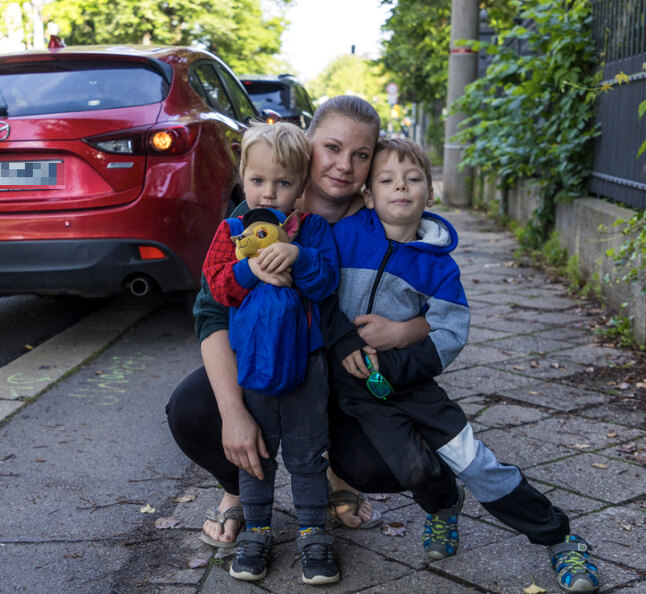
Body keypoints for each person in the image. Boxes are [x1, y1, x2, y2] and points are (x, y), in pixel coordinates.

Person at [166, 96, 450, 558]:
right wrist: (234, 413)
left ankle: (334, 474)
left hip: (343, 373)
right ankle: (238, 488)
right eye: (332, 148)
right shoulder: (258, 212)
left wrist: (403, 331)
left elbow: (437, 301)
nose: (343, 165)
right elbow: (212, 311)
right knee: (193, 410)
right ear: (306, 144)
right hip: (264, 365)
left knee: (380, 463)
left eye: (361, 155)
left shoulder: (384, 218)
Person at [322, 137, 599, 594]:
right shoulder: (344, 237)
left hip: (413, 386)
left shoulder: (439, 266)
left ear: (430, 193)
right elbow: (319, 292)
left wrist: (395, 356)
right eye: (387, 180)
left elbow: (451, 332)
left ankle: (560, 538)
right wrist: (344, 340)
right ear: (368, 195)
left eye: (413, 179)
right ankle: (445, 506)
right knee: (413, 471)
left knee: (475, 462)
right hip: (361, 393)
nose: (401, 188)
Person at [201, 121, 340, 584]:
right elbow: (217, 287)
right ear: (243, 177)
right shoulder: (232, 230)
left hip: (307, 366)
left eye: (282, 183)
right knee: (256, 453)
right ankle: (257, 531)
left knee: (307, 453)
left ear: (300, 188)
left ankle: (314, 532)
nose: (268, 193)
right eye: (258, 181)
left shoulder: (311, 230)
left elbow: (326, 283)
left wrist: (299, 258)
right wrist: (248, 272)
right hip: (252, 366)